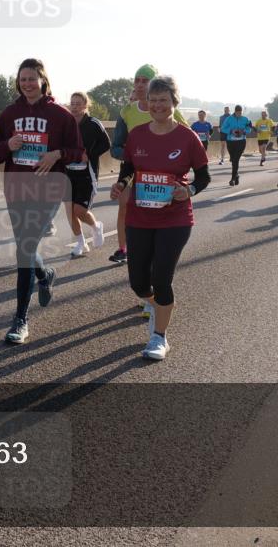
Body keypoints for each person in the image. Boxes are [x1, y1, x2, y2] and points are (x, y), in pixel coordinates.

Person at [110, 75, 210, 361]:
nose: (157, 106)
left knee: (161, 277)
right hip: (140, 217)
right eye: (153, 101)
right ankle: (157, 306)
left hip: (174, 219)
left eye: (163, 100)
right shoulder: (138, 134)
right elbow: (128, 169)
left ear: (173, 102)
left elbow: (203, 176)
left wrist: (188, 190)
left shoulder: (187, 136)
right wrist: (120, 185)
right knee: (139, 283)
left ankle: (159, 337)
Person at [0, 58, 83, 344]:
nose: (27, 83)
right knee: (26, 249)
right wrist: (9, 145)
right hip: (17, 189)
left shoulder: (60, 115)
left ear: (43, 80)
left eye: (32, 78)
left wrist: (57, 155)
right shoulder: (9, 114)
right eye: (22, 78)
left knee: (24, 249)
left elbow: (78, 152)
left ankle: (20, 319)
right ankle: (45, 275)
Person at [108, 65, 189, 265]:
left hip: (161, 174)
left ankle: (158, 250)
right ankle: (123, 249)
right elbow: (116, 146)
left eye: (145, 80)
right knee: (125, 207)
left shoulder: (170, 110)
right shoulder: (127, 110)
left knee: (156, 211)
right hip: (131, 170)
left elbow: (187, 139)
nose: (140, 84)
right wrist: (134, 156)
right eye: (137, 80)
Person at [64, 92, 110, 258]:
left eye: (78, 103)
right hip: (68, 173)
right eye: (72, 103)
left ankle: (96, 226)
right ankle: (80, 243)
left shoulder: (93, 123)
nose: (74, 107)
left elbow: (106, 144)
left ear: (85, 105)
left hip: (86, 174)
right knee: (69, 211)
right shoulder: (66, 123)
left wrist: (89, 155)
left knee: (79, 210)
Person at [220, 105, 253, 186]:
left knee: (236, 160)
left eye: (240, 113)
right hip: (231, 142)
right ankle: (236, 175)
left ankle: (232, 179)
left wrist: (243, 131)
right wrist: (231, 131)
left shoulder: (245, 119)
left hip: (241, 142)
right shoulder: (229, 119)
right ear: (235, 112)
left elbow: (249, 128)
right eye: (238, 113)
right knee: (233, 159)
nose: (239, 114)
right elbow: (222, 128)